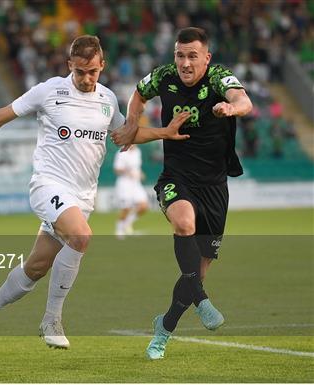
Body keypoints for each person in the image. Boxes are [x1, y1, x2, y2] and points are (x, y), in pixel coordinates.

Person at [0, 35, 190, 350]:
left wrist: (164, 133)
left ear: (102, 66)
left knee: (35, 269)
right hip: (48, 185)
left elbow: (126, 133)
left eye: (93, 72)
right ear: (69, 64)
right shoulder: (48, 91)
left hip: (82, 198)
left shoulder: (107, 99)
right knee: (82, 236)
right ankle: (51, 319)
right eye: (80, 72)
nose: (87, 79)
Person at [111, 27, 253, 359]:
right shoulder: (163, 77)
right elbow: (138, 93)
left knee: (195, 274)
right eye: (179, 55)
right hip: (177, 176)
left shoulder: (219, 77)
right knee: (184, 222)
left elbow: (242, 99)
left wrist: (231, 109)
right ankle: (203, 299)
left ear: (207, 58)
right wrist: (132, 120)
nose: (185, 63)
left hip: (215, 186)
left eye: (192, 56)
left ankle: (164, 327)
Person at [113, 144, 149, 239]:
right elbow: (117, 169)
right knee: (126, 208)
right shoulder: (122, 153)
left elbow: (136, 167)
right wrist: (129, 172)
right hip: (125, 183)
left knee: (143, 206)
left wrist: (140, 173)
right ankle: (119, 230)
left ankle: (127, 224)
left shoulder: (138, 152)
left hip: (136, 183)